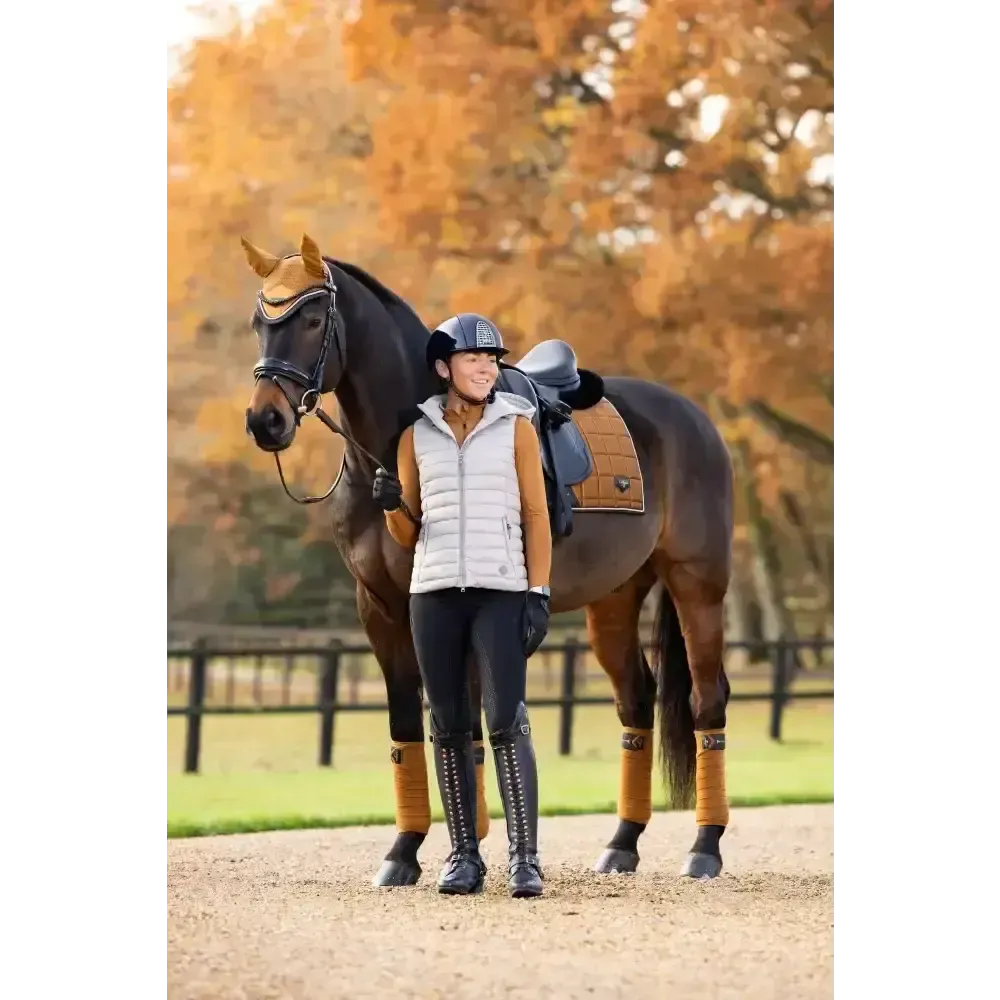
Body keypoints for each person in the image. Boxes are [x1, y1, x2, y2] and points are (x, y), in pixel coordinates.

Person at [371, 313, 552, 898]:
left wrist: (538, 590)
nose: (485, 368)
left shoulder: (517, 428)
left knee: (505, 721)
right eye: (474, 359)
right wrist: (391, 506)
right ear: (444, 368)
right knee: (447, 727)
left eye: (493, 360)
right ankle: (463, 857)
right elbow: (407, 532)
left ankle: (525, 858)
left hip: (501, 592)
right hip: (434, 594)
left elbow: (535, 515)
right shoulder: (415, 436)